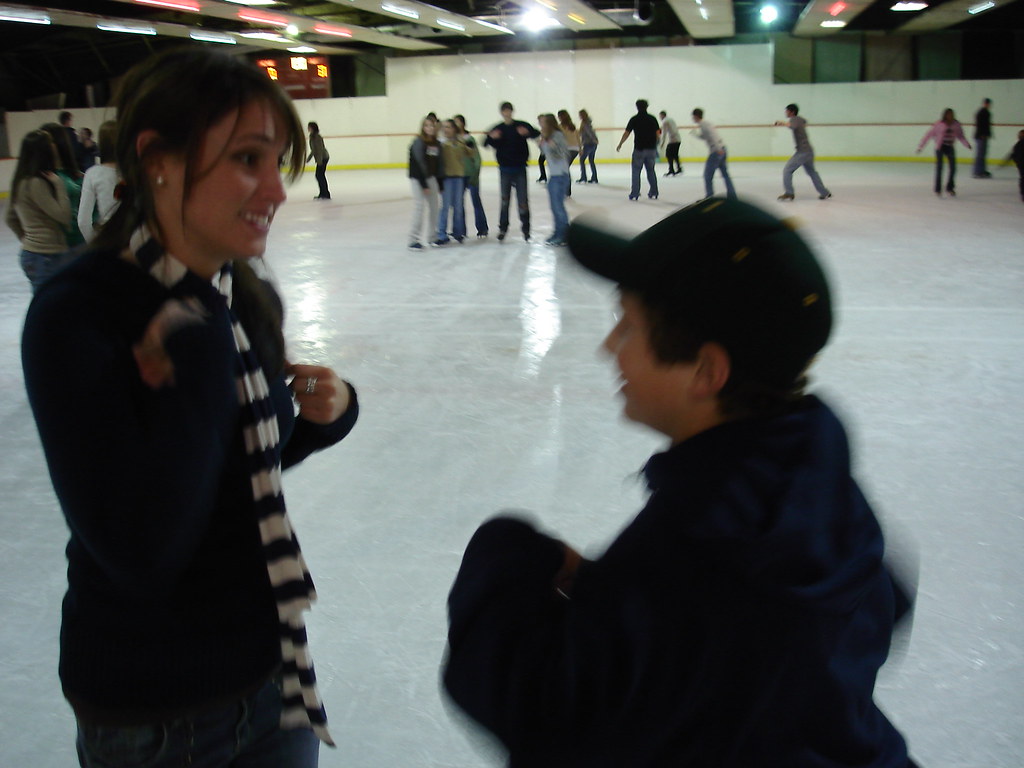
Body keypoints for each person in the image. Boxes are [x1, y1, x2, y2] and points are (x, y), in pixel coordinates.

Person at [442, 197, 919, 768]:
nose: (609, 347)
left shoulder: (693, 546)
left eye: (628, 326)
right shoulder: (815, 480)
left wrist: (510, 558)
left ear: (707, 372)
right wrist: (615, 600)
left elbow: (543, 713)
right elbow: (878, 601)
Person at [22, 47, 359, 767]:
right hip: (153, 711)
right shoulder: (81, 312)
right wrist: (198, 344)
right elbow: (142, 548)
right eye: (247, 159)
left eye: (277, 162)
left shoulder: (240, 291)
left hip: (271, 676)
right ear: (158, 160)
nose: (277, 190)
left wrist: (322, 423)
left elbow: (229, 460)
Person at [5, 129, 71, 291]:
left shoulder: (19, 181)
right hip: (46, 256)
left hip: (34, 254)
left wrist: (27, 238)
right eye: (51, 143)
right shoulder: (36, 184)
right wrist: (59, 185)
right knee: (51, 303)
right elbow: (63, 215)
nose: (54, 146)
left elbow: (9, 217)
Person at [484, 102, 540, 242]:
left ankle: (526, 230)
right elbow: (485, 142)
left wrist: (527, 133)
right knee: (505, 201)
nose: (507, 113)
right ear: (502, 113)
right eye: (504, 111)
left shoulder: (521, 125)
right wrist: (492, 138)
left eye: (508, 110)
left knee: (523, 201)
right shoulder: (498, 128)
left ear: (512, 111)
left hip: (520, 169)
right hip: (505, 170)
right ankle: (503, 229)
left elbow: (536, 133)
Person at [41, 121, 86, 248]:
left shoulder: (76, 175)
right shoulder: (39, 178)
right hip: (53, 243)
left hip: (78, 239)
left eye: (49, 141)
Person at [774, 104, 831, 201]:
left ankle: (789, 193)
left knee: (787, 170)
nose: (786, 112)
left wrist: (782, 123)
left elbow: (792, 126)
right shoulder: (799, 119)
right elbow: (803, 121)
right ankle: (824, 192)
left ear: (792, 112)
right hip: (808, 151)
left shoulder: (794, 119)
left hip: (802, 152)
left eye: (787, 111)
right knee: (812, 172)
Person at [77, 120, 120, 241]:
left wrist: (94, 244)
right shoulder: (136, 172)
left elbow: (83, 221)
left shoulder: (93, 174)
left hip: (109, 238)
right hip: (138, 240)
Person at [916, 107, 971, 198]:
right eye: (949, 114)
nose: (950, 116)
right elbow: (929, 135)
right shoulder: (939, 124)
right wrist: (921, 146)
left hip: (950, 147)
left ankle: (950, 188)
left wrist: (966, 144)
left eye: (952, 114)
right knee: (939, 168)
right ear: (945, 115)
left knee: (953, 168)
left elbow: (960, 136)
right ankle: (938, 189)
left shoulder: (956, 124)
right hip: (940, 147)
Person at [408, 116, 442, 250]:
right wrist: (424, 184)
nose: (430, 128)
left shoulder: (436, 143)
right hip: (418, 178)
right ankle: (413, 239)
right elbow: (418, 164)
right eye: (427, 125)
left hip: (431, 178)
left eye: (432, 125)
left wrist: (440, 183)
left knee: (434, 207)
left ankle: (432, 236)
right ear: (423, 127)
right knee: (419, 207)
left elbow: (438, 165)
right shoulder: (418, 142)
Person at [436, 118, 472, 245]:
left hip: (459, 177)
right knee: (445, 207)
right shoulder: (441, 143)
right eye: (444, 127)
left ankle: (458, 232)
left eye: (448, 127)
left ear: (454, 129)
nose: (446, 129)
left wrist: (467, 144)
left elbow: (470, 153)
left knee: (458, 206)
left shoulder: (460, 142)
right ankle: (441, 234)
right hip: (446, 178)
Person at [616, 99, 660, 200]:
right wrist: (656, 143)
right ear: (647, 106)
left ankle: (635, 193)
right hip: (651, 149)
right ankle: (654, 191)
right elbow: (658, 133)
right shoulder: (652, 119)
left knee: (636, 171)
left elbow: (627, 133)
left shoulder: (634, 119)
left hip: (639, 149)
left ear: (637, 107)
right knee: (651, 170)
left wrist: (620, 143)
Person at [537, 113, 570, 246]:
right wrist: (541, 144)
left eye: (542, 122)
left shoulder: (558, 135)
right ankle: (558, 233)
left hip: (560, 175)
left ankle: (564, 235)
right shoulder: (548, 136)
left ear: (549, 123)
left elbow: (563, 153)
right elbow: (545, 153)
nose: (540, 125)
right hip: (554, 175)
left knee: (558, 207)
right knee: (555, 207)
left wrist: (552, 146)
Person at [454, 114, 488, 238]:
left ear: (463, 124)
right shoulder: (453, 141)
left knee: (476, 202)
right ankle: (460, 230)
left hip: (471, 175)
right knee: (459, 204)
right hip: (459, 176)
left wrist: (475, 173)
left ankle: (482, 228)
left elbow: (476, 157)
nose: (456, 125)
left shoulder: (469, 139)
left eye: (458, 122)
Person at [691, 107, 736, 200]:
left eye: (693, 116)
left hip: (716, 151)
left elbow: (712, 136)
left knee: (707, 175)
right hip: (722, 148)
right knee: (725, 174)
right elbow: (706, 136)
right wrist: (696, 135)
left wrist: (718, 149)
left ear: (696, 116)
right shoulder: (706, 123)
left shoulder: (703, 124)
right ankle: (732, 195)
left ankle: (709, 195)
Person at [557, 110, 580, 197]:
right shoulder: (572, 126)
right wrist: (580, 148)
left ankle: (566, 190)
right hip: (575, 149)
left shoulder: (560, 127)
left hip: (567, 149)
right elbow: (578, 137)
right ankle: (566, 190)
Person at [307, 121, 331, 200]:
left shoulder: (317, 137)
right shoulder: (312, 136)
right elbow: (314, 150)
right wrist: (309, 158)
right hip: (321, 158)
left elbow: (319, 149)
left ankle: (325, 193)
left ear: (313, 128)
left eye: (309, 127)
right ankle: (323, 193)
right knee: (319, 175)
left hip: (323, 157)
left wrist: (319, 161)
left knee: (319, 175)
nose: (308, 128)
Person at [577, 109, 599, 184]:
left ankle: (583, 177)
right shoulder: (588, 122)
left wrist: (594, 139)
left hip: (589, 143)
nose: (579, 116)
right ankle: (594, 177)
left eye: (580, 115)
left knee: (582, 160)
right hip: (592, 144)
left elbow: (589, 132)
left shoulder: (585, 123)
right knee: (591, 160)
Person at [973, 98, 992, 179]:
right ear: (985, 104)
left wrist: (988, 134)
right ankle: (977, 171)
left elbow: (987, 125)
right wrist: (982, 134)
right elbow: (980, 124)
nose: (988, 105)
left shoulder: (986, 112)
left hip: (983, 135)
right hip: (981, 136)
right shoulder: (982, 112)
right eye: (987, 104)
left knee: (983, 154)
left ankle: (982, 170)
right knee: (980, 154)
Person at [658, 110, 682, 176]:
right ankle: (679, 168)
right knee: (675, 154)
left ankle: (671, 169)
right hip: (678, 139)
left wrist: (662, 143)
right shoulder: (670, 119)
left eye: (660, 116)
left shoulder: (665, 121)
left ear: (662, 115)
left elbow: (664, 133)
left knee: (668, 155)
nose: (660, 118)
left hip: (673, 140)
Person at [1005, 128, 1024, 202]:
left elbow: (1012, 155)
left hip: (1020, 164)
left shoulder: (1017, 145)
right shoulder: (1018, 145)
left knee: (1022, 178)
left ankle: (1023, 193)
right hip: (1021, 164)